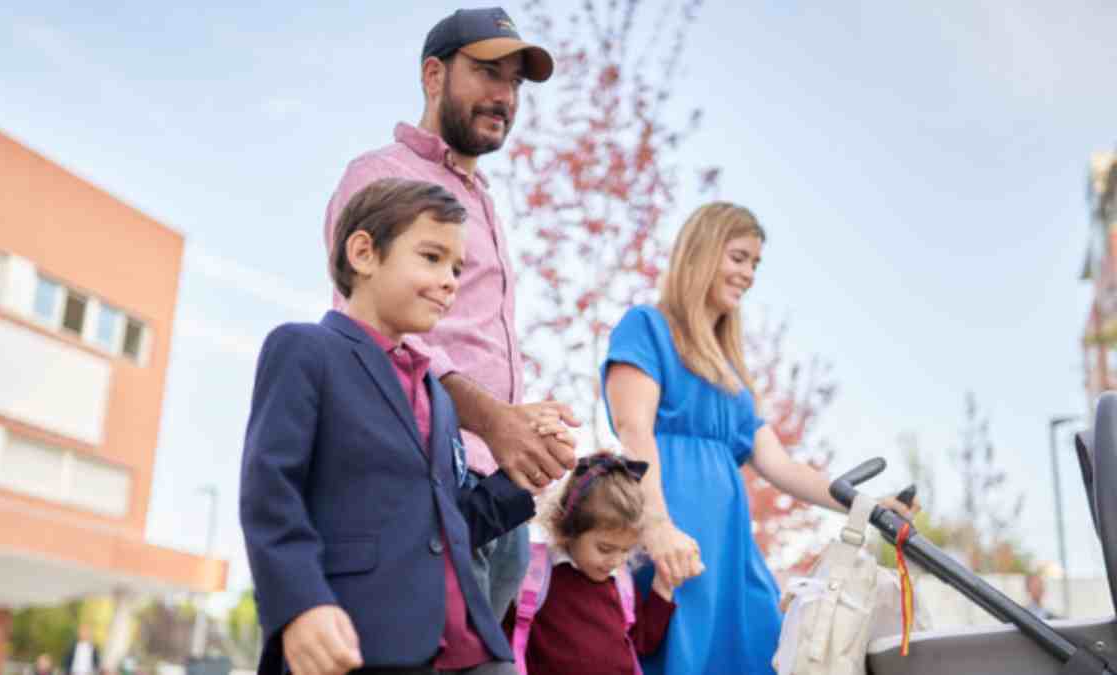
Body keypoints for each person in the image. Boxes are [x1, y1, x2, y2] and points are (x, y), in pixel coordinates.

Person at [322, 6, 576, 620]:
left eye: (516, 83)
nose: (505, 96)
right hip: (424, 491)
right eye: (489, 73)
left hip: (499, 496)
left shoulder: (482, 200)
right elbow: (372, 341)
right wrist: (495, 419)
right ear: (433, 75)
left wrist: (522, 425)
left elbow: (466, 343)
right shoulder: (382, 176)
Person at [602, 202, 917, 674]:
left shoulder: (730, 376)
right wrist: (658, 526)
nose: (748, 273)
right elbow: (634, 430)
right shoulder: (647, 328)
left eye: (755, 263)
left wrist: (867, 507)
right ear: (702, 252)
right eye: (738, 257)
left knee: (762, 650)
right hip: (672, 540)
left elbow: (783, 468)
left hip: (730, 552)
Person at [241, 179, 535, 675]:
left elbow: (442, 523)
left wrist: (520, 481)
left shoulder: (439, 396)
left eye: (458, 268)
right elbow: (271, 493)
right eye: (432, 257)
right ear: (364, 253)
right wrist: (301, 603)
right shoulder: (305, 350)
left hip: (467, 647)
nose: (450, 281)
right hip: (356, 639)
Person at [504, 453, 695, 675]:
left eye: (625, 550)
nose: (616, 560)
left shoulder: (620, 582)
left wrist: (663, 586)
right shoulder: (534, 576)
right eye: (605, 549)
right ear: (569, 528)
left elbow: (641, 642)